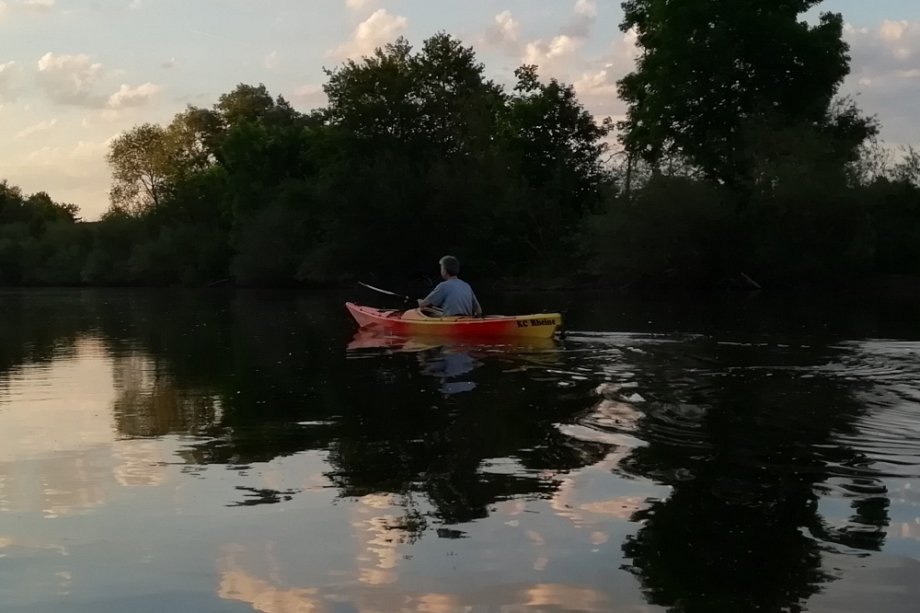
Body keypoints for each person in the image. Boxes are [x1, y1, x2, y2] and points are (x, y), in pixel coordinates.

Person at [418, 255, 483, 317]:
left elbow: (423, 305)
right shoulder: (467, 286)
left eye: (441, 268)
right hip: (466, 320)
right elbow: (479, 310)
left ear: (445, 271)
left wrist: (420, 301)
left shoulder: (443, 286)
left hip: (451, 322)